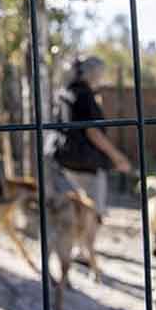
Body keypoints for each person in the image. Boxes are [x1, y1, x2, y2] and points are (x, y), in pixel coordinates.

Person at [48, 56, 132, 212]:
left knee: (70, 217)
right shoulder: (84, 96)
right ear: (92, 73)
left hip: (64, 163)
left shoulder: (64, 94)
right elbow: (93, 132)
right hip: (87, 166)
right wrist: (117, 158)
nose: (101, 77)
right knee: (92, 216)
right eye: (101, 73)